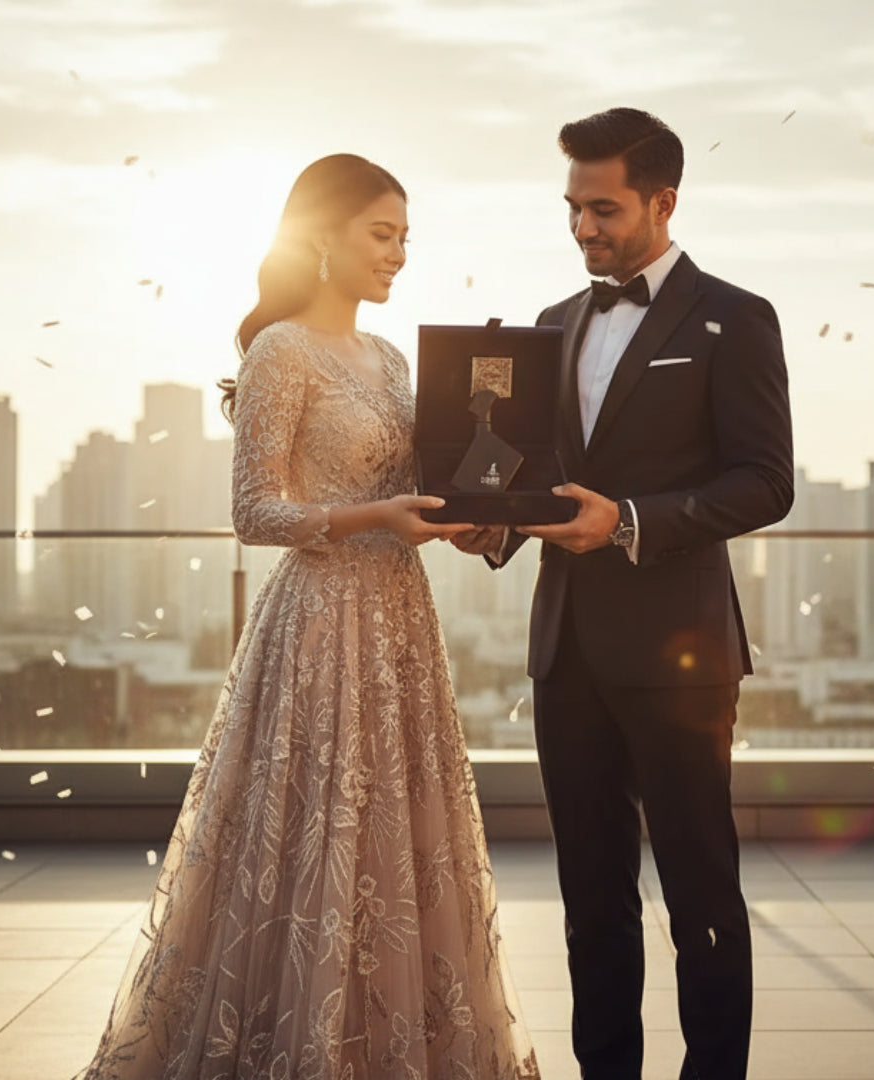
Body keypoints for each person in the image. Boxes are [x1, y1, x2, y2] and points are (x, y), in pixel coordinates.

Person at [77, 154, 540, 1080]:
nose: (399, 254)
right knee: (309, 835)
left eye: (407, 236)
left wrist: (469, 519)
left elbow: (418, 490)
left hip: (400, 622)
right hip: (320, 623)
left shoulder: (396, 358)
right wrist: (373, 519)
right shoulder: (279, 351)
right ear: (322, 237)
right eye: (382, 233)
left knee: (393, 839)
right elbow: (254, 514)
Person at [454, 109, 794, 1080]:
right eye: (572, 207)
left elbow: (766, 482)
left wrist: (632, 520)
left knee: (702, 900)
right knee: (590, 902)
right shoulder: (554, 324)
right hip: (566, 654)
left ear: (664, 201)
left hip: (681, 660)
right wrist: (498, 528)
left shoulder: (738, 316)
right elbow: (538, 481)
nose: (582, 227)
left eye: (602, 208)